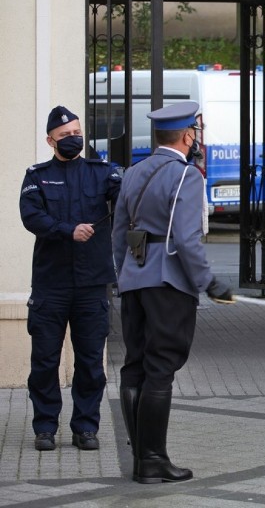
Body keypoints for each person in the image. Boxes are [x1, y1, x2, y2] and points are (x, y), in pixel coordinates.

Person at [112, 102, 235, 483]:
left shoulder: (133, 172)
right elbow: (185, 239)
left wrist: (124, 276)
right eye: (195, 132)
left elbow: (118, 234)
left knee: (135, 366)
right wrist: (208, 282)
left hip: (134, 281)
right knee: (161, 369)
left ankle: (141, 460)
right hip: (169, 285)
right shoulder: (187, 176)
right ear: (187, 135)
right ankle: (152, 459)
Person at [19, 105, 122, 452]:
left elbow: (125, 203)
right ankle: (45, 427)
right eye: (64, 136)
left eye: (76, 132)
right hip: (52, 284)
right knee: (45, 360)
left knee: (91, 361)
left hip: (92, 284)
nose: (72, 138)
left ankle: (86, 428)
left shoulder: (102, 173)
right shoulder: (36, 175)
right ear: (51, 140)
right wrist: (66, 231)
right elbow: (31, 217)